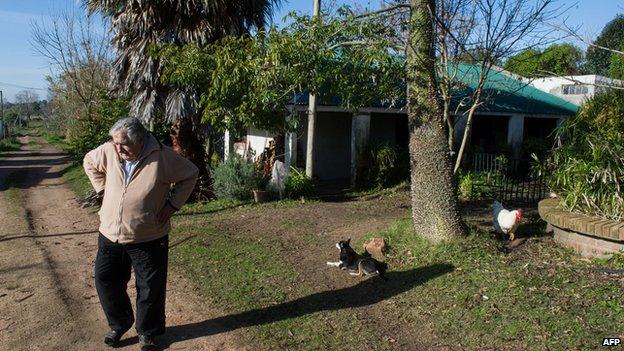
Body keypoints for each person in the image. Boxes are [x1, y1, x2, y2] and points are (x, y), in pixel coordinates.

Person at [83, 117, 198, 351]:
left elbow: (190, 174)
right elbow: (89, 161)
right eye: (115, 143)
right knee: (105, 280)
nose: (118, 148)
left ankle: (148, 332)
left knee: (150, 287)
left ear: (140, 140)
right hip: (110, 234)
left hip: (149, 236)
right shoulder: (109, 151)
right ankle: (120, 323)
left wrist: (172, 206)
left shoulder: (162, 157)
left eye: (123, 144)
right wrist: (102, 189)